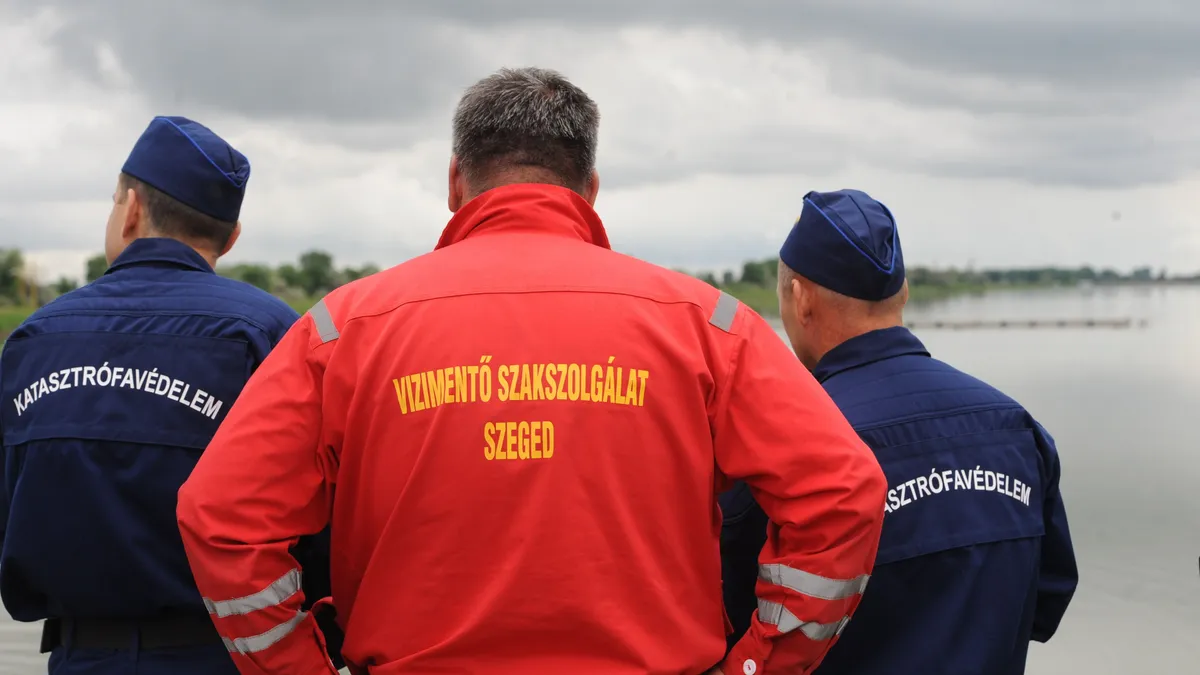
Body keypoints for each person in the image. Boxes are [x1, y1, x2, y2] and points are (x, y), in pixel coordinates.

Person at [174, 67, 888, 675]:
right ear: (590, 188)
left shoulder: (343, 330)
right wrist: (760, 663)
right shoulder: (708, 326)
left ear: (455, 181)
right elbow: (843, 492)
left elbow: (222, 517)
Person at [0, 116, 341, 675]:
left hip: (81, 657)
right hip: (236, 655)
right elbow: (324, 520)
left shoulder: (34, 339)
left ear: (131, 209)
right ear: (231, 238)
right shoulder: (273, 334)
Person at [720, 188, 1079, 674]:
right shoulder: (1017, 428)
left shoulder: (780, 446)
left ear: (800, 299)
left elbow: (730, 616)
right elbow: (1046, 601)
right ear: (904, 293)